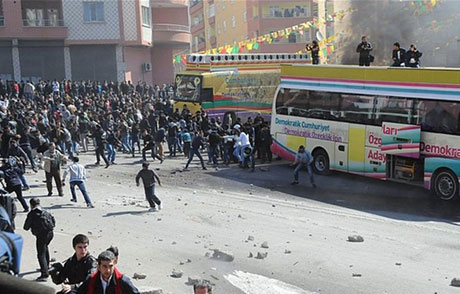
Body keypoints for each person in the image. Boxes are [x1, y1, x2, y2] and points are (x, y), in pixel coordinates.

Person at [72, 250, 139, 294]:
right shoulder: (92, 279)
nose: (108, 270)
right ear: (98, 266)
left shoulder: (122, 281)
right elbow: (77, 292)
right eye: (104, 266)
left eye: (110, 266)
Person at [23, 198, 56, 281]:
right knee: (45, 249)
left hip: (41, 235)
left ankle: (44, 274)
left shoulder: (32, 213)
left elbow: (26, 227)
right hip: (50, 233)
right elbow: (53, 222)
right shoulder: (46, 210)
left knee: (41, 254)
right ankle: (46, 267)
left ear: (31, 204)